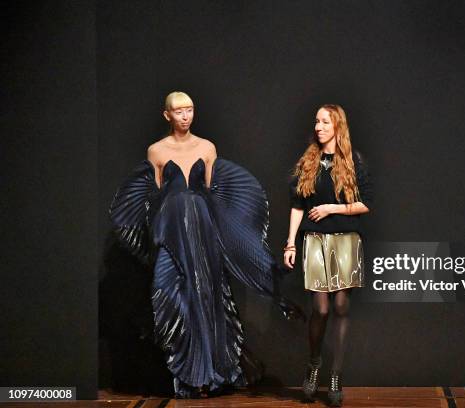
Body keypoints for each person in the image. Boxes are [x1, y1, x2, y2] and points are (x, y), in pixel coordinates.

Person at [109, 91, 302, 398]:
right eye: (179, 111)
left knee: (207, 297)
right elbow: (154, 198)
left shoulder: (207, 148)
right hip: (172, 239)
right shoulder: (156, 151)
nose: (186, 116)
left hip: (204, 237)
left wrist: (233, 238)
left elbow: (214, 195)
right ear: (167, 116)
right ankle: (189, 374)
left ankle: (209, 375)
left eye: (190, 110)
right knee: (174, 297)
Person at [284, 104, 372, 406]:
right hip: (315, 241)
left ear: (337, 126)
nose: (319, 127)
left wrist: (333, 208)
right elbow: (296, 205)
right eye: (317, 122)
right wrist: (290, 244)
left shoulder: (353, 161)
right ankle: (314, 364)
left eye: (325, 122)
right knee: (320, 309)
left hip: (346, 240)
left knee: (341, 305)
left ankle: (335, 375)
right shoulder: (308, 161)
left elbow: (365, 204)